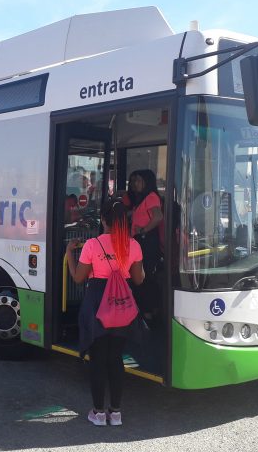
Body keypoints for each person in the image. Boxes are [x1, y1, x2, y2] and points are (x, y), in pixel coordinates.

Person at [65, 199, 145, 427]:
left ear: (103, 220)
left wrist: (70, 253)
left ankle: (98, 413)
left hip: (97, 305)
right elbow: (139, 280)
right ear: (124, 222)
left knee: (98, 359)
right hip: (122, 306)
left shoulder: (92, 245)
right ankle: (116, 413)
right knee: (115, 358)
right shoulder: (134, 246)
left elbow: (79, 278)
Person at [123, 169, 163, 319]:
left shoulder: (151, 197)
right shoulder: (142, 198)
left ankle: (147, 311)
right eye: (134, 181)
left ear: (147, 182)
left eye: (138, 180)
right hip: (141, 240)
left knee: (143, 276)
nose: (135, 184)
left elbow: (158, 216)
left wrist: (144, 230)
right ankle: (148, 310)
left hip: (146, 241)